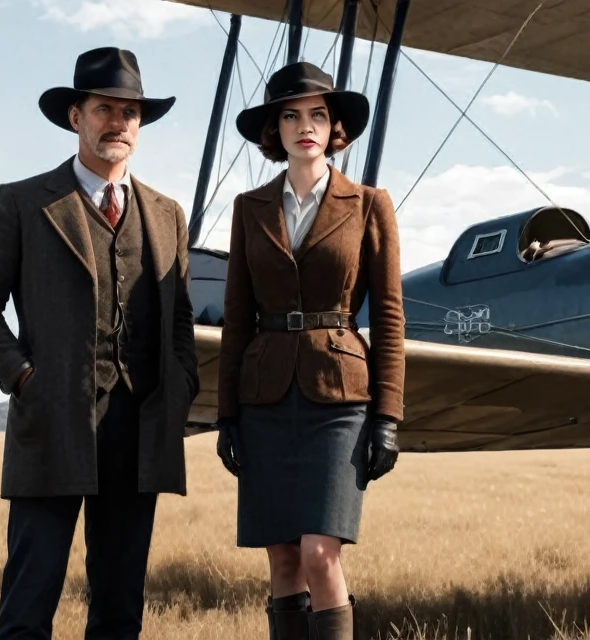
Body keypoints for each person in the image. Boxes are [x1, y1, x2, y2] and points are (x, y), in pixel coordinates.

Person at [0, 47, 198, 639]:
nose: (119, 122)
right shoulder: (22, 202)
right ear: (75, 117)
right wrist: (23, 378)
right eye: (105, 108)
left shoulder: (167, 215)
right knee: (28, 609)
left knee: (119, 610)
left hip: (139, 433)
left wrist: (180, 385)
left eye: (130, 112)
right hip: (51, 424)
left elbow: (180, 320)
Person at [213, 61, 404, 640]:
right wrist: (227, 416)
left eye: (317, 114)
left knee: (321, 555)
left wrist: (388, 417)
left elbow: (391, 317)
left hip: (339, 397)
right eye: (291, 115)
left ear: (333, 126)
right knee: (282, 561)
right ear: (275, 129)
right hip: (264, 397)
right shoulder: (250, 208)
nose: (305, 126)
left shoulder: (370, 204)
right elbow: (237, 319)